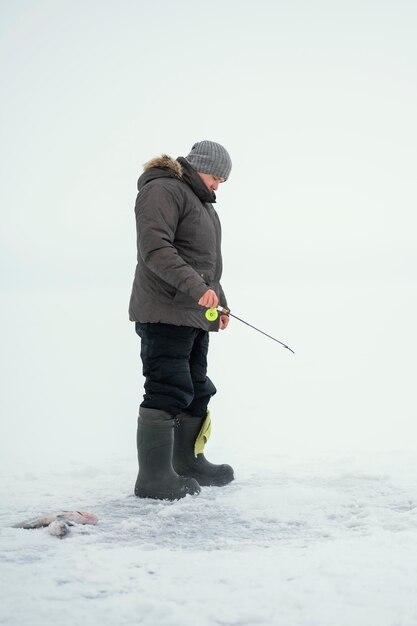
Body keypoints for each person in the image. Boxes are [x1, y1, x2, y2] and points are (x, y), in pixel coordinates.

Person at [129, 140, 235, 500]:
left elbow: (208, 266)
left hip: (193, 312)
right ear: (198, 166)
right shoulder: (163, 190)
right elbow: (155, 250)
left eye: (223, 180)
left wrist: (220, 304)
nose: (218, 185)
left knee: (196, 387)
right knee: (167, 388)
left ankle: (186, 463)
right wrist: (195, 288)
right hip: (164, 310)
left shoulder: (203, 204)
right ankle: (154, 478)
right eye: (215, 176)